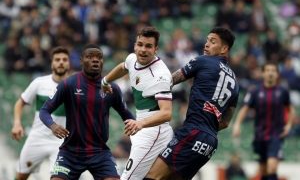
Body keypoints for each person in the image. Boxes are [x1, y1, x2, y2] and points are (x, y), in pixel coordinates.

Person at [144, 26, 240, 180]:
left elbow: (171, 80)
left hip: (192, 132)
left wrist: (146, 93)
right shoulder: (235, 82)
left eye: (213, 41)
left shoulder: (203, 61)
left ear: (224, 49)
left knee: (152, 176)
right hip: (210, 143)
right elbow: (226, 122)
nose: (206, 44)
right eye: (207, 40)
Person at [39, 44, 135, 180]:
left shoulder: (112, 88)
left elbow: (127, 116)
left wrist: (137, 127)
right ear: (81, 60)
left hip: (100, 153)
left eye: (99, 57)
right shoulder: (69, 84)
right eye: (90, 57)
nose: (95, 60)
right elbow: (44, 111)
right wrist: (53, 126)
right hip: (70, 153)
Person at [101, 26, 173, 180]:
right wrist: (105, 80)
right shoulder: (132, 58)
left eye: (148, 46)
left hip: (154, 131)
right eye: (140, 44)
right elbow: (123, 67)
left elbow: (167, 113)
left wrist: (140, 124)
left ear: (156, 49)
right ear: (135, 45)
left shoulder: (160, 75)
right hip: (142, 127)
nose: (143, 50)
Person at [11, 46, 71, 180]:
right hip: (37, 138)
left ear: (69, 63)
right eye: (57, 59)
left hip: (61, 143)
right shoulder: (39, 83)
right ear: (51, 63)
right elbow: (20, 103)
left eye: (64, 59)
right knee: (20, 177)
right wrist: (17, 123)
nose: (61, 62)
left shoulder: (75, 86)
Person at [232, 62, 295, 180]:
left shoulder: (283, 91)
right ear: (263, 73)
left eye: (273, 71)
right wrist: (237, 124)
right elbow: (244, 109)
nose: (270, 73)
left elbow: (290, 109)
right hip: (259, 135)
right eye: (268, 70)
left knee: (272, 166)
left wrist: (289, 125)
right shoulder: (254, 91)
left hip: (276, 135)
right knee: (263, 170)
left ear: (277, 74)